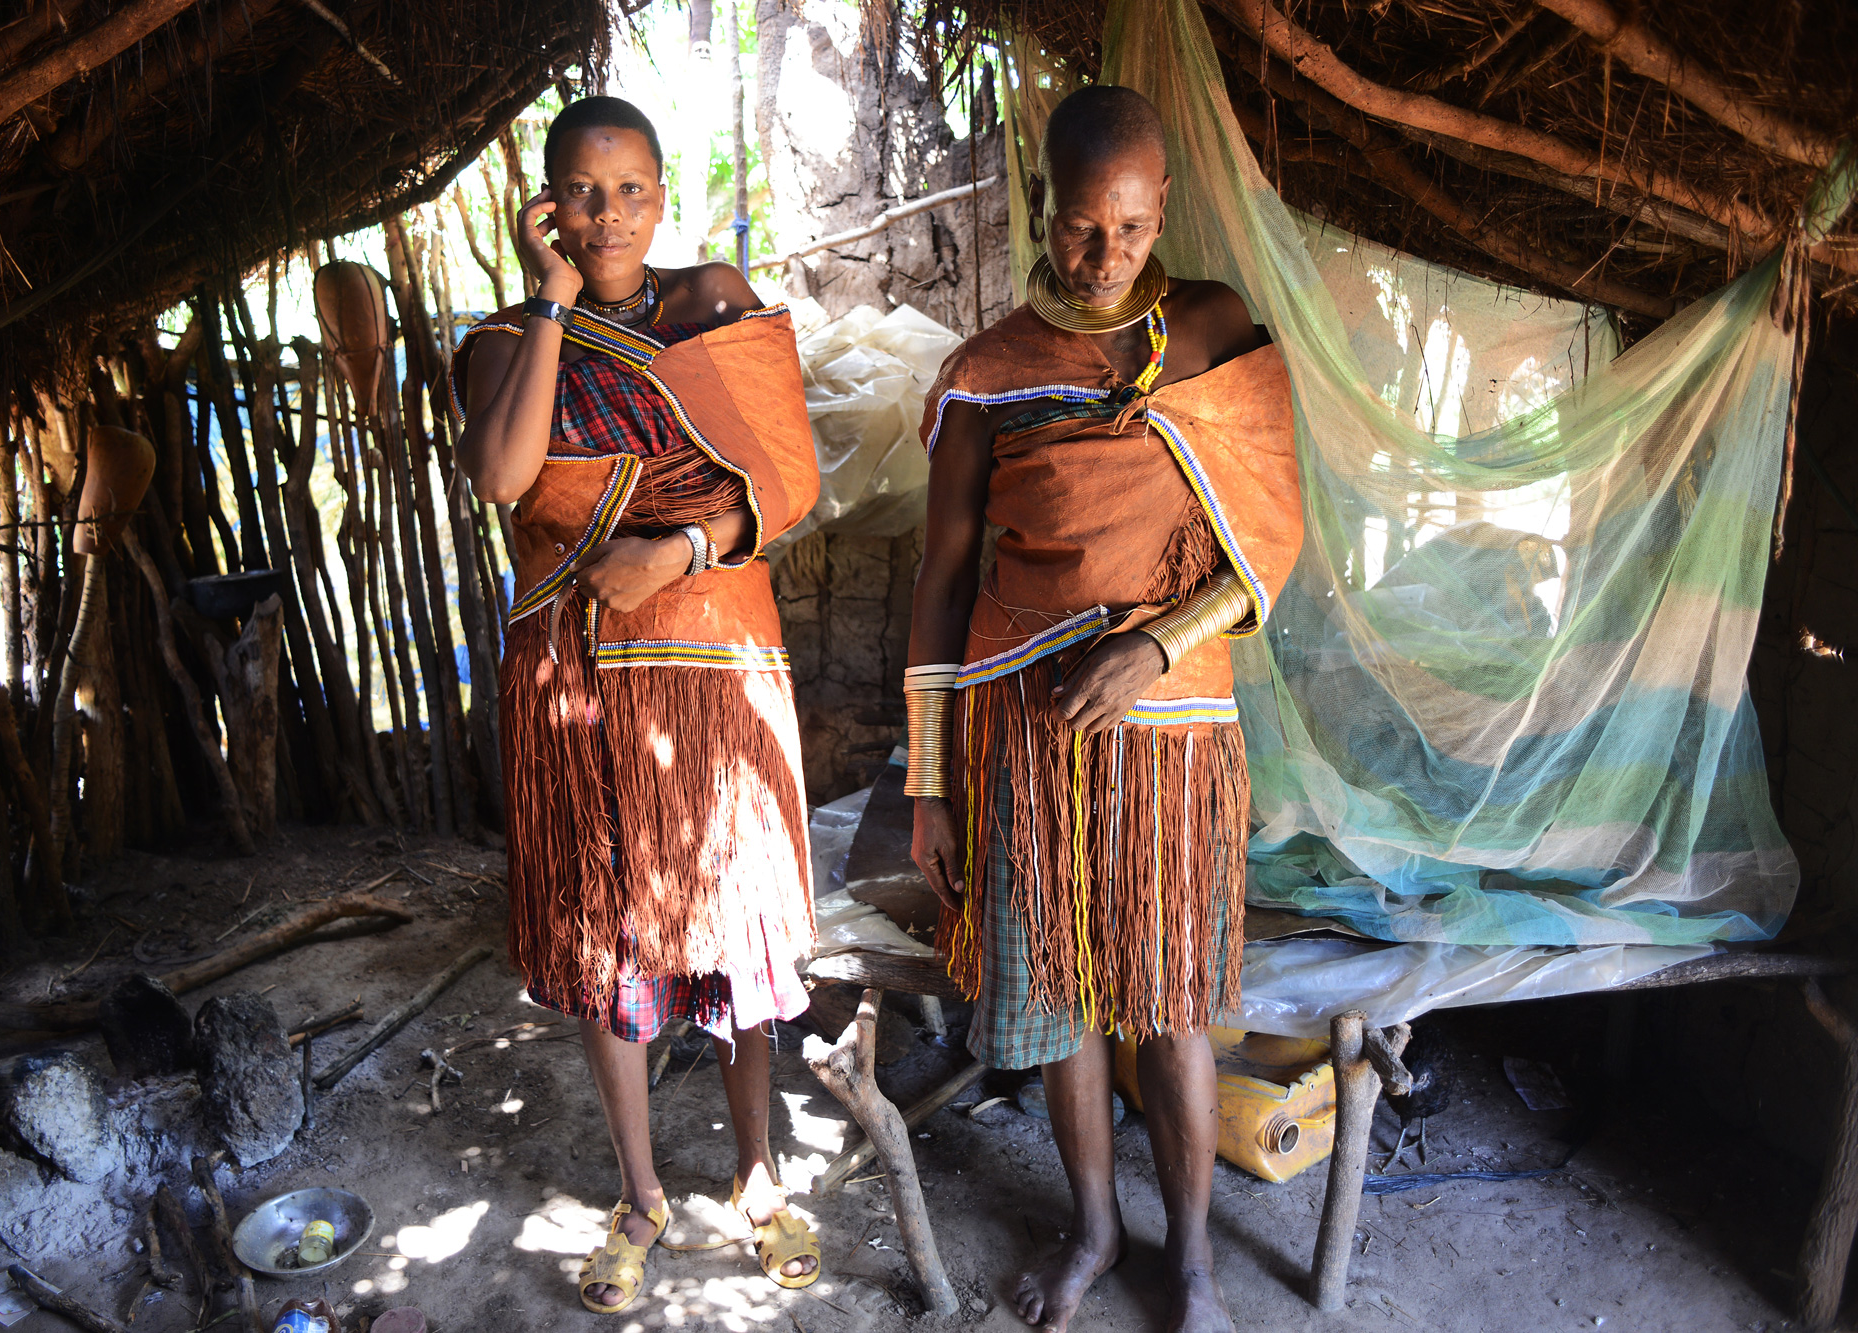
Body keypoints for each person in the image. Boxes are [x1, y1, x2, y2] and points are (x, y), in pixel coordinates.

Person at [905, 85, 1303, 1333]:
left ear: (1163, 210)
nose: (1105, 256)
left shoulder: (1215, 335)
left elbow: (1271, 545)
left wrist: (1156, 645)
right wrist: (927, 780)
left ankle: (1187, 1261)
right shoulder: (986, 373)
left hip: (1175, 737)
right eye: (1083, 227)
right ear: (1044, 202)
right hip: (1026, 742)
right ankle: (1092, 1228)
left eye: (1130, 230)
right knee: (1061, 1000)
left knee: (1177, 1004)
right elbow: (942, 583)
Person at [452, 95, 822, 1315]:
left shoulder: (713, 302)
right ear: (543, 202)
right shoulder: (507, 339)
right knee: (606, 932)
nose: (603, 214)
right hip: (577, 680)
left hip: (715, 665)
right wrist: (552, 297)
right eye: (578, 191)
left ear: (662, 193)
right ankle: (643, 1190)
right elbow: (507, 478)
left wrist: (676, 550)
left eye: (626, 189)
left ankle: (758, 1173)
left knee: (735, 928)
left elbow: (787, 482)